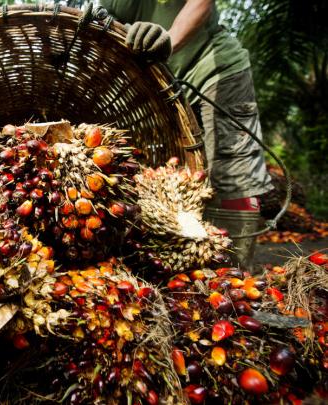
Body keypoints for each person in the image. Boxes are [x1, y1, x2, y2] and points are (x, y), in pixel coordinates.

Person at [100, 0, 273, 268]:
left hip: (213, 71)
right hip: (164, 86)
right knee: (173, 184)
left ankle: (237, 276)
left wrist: (169, 40)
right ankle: (194, 270)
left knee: (233, 178)